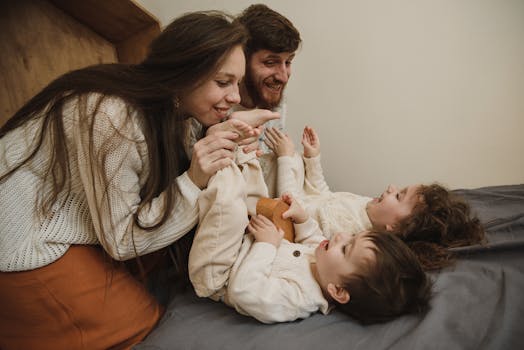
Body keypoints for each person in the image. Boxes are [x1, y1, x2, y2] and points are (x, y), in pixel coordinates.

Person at [0, 10, 274, 350]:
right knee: (136, 325)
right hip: (23, 230)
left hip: (84, 220)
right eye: (223, 82)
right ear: (183, 73)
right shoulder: (110, 117)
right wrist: (194, 178)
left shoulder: (179, 111)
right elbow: (122, 241)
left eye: (238, 83)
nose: (235, 97)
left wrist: (221, 136)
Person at [188, 139, 431, 324]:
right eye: (352, 237)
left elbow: (244, 291)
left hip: (218, 271)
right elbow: (313, 238)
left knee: (230, 201)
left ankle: (215, 166)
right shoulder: (324, 263)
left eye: (346, 248)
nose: (340, 236)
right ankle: (237, 154)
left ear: (338, 290)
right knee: (253, 177)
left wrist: (266, 246)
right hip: (245, 239)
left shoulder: (299, 297)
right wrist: (303, 218)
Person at [263, 126, 486, 270]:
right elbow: (325, 195)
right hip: (297, 198)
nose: (391, 187)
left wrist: (284, 158)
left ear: (393, 226)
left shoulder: (347, 231)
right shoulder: (366, 207)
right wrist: (313, 159)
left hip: (283, 211)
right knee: (298, 160)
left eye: (398, 196)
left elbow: (291, 210)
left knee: (289, 160)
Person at [232, 3, 302, 197]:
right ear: (242, 59)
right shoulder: (217, 105)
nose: (284, 76)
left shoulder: (276, 103)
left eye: (288, 62)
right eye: (270, 62)